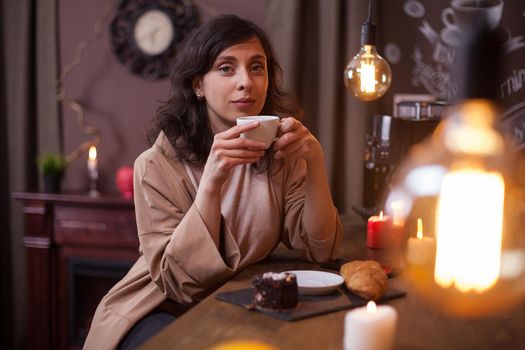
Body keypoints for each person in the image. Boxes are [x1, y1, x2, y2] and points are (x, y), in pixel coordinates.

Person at [84, 14, 342, 350]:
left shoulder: (281, 154)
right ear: (197, 85)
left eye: (257, 67)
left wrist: (316, 163)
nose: (246, 82)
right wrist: (212, 181)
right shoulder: (154, 166)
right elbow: (180, 283)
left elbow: (321, 248)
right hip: (154, 307)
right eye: (226, 68)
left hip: (229, 302)